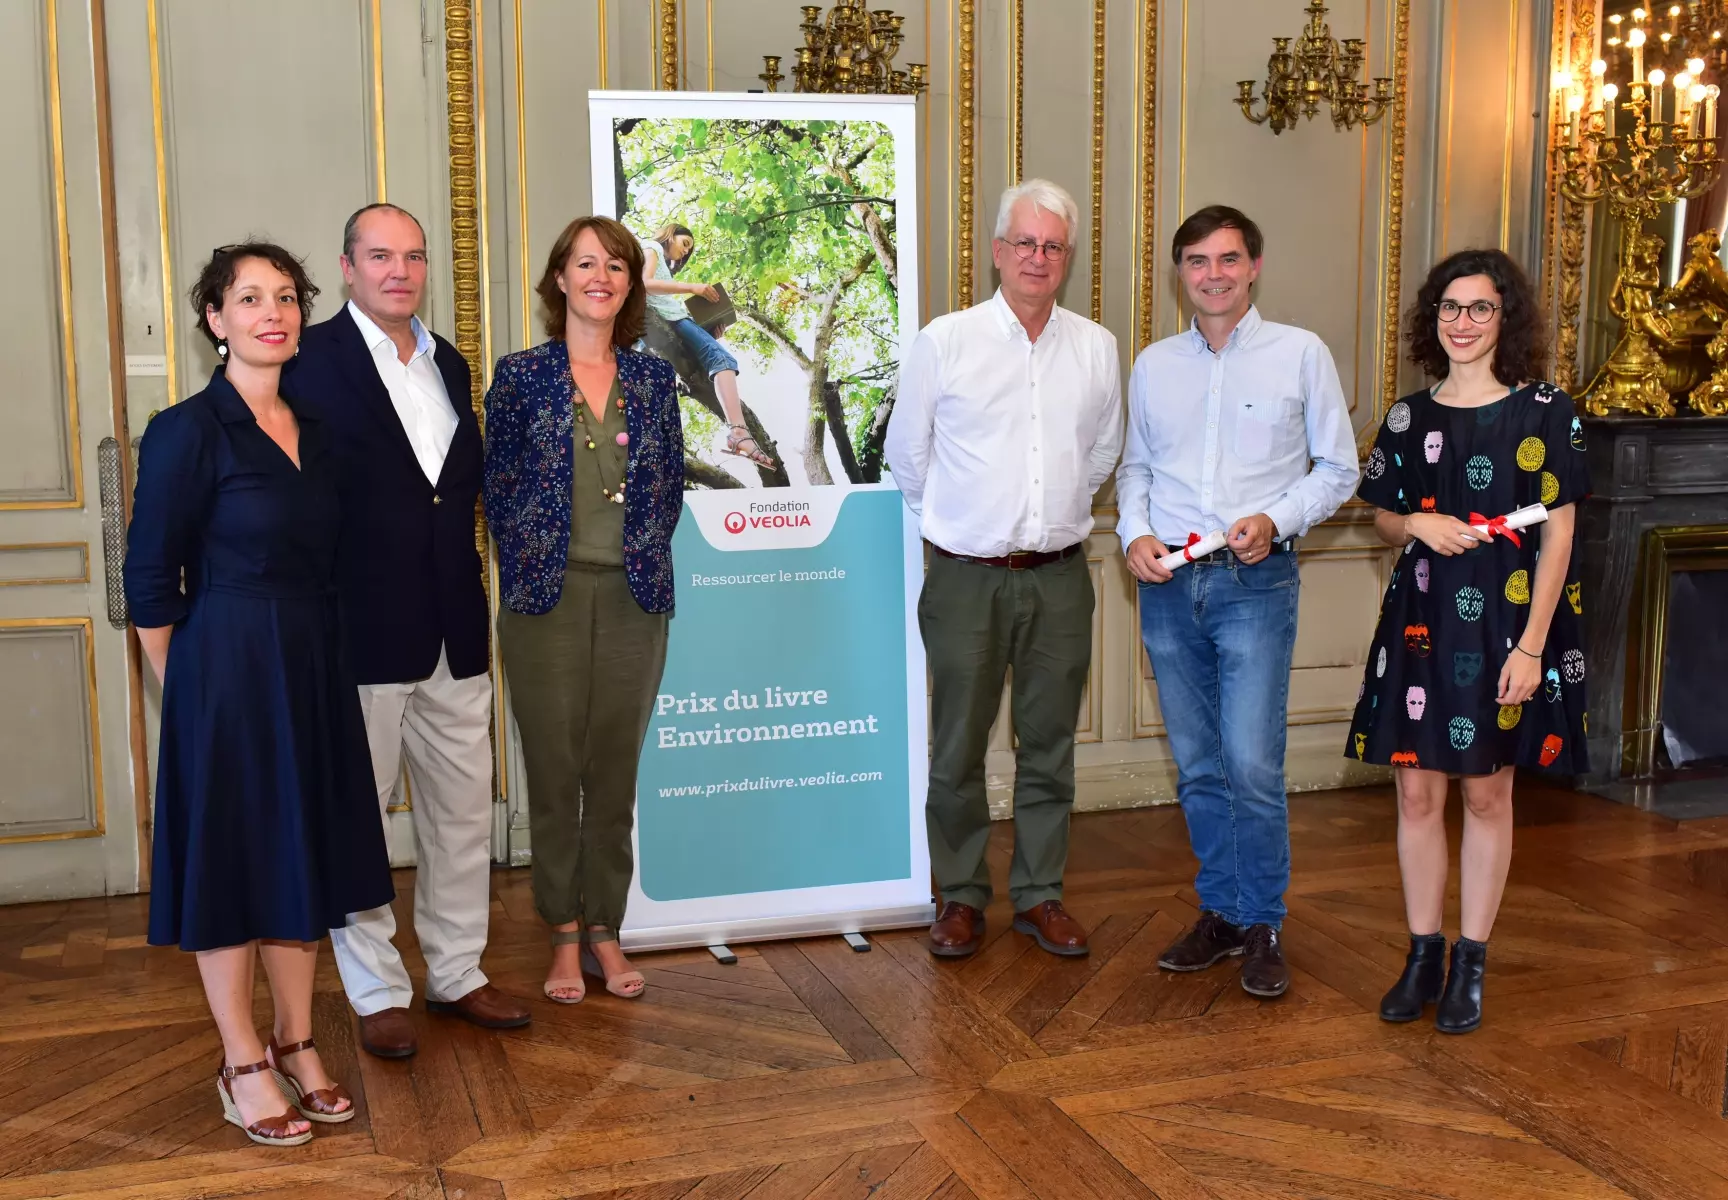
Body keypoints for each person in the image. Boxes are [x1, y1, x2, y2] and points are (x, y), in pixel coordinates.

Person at [126, 243, 394, 1145]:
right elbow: (150, 585)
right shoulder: (185, 431)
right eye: (250, 299)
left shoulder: (316, 432)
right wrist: (196, 688)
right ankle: (242, 1058)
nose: (271, 313)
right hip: (226, 675)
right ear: (216, 320)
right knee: (235, 867)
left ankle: (297, 1037)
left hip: (312, 666)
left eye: (286, 298)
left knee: (301, 858)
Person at [291, 203, 529, 1058]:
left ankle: (457, 972)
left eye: (415, 256)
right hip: (356, 630)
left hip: (454, 626)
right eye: (381, 255)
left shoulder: (449, 361)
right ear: (348, 266)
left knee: (462, 813)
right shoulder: (306, 360)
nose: (401, 270)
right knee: (359, 816)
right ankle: (376, 988)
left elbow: (447, 495)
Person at [1117, 205, 1358, 998]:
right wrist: (1132, 535)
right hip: (1169, 586)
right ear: (1179, 273)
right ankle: (1219, 913)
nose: (1212, 275)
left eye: (1227, 260)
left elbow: (1337, 469)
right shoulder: (1154, 365)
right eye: (1196, 261)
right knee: (1197, 768)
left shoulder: (1299, 355)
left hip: (1256, 583)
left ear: (1254, 266)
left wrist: (1274, 519)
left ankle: (1263, 923)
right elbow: (1137, 471)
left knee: (1252, 764)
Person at [1349, 248, 1589, 1034]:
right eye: (1450, 308)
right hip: (1420, 620)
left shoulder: (1548, 412)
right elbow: (1382, 513)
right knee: (1416, 790)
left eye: (1480, 308)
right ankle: (1422, 953)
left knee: (1488, 791)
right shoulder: (1409, 417)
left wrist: (1532, 647)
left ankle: (1470, 961)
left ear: (1506, 318)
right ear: (1433, 319)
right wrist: (1412, 521)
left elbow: (1560, 538)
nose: (1463, 322)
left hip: (1506, 625)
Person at [886, 179, 1123, 960]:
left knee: (1048, 744)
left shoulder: (1095, 347)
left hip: (1059, 576)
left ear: (1068, 258)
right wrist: (968, 527)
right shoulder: (945, 341)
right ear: (996, 251)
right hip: (965, 577)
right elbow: (908, 457)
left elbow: (1102, 453)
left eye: (1053, 245)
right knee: (957, 745)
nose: (1038, 257)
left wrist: (1045, 517)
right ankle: (958, 897)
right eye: (1024, 242)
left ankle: (1040, 895)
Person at [484, 216, 685, 1002]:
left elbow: (667, 487)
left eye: (617, 266)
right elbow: (498, 491)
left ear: (630, 285)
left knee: (614, 771)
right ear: (560, 279)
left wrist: (634, 552)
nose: (601, 276)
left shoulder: (653, 380)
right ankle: (561, 934)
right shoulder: (520, 375)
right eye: (585, 263)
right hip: (546, 602)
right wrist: (540, 558)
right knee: (555, 766)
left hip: (636, 600)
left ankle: (607, 927)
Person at [639, 222, 775, 468]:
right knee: (723, 360)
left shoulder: (662, 263)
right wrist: (693, 287)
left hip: (675, 322)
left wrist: (710, 332)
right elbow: (645, 283)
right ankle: (738, 433)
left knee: (717, 357)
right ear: (671, 234)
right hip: (674, 319)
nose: (685, 252)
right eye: (685, 243)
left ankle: (738, 432)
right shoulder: (651, 247)